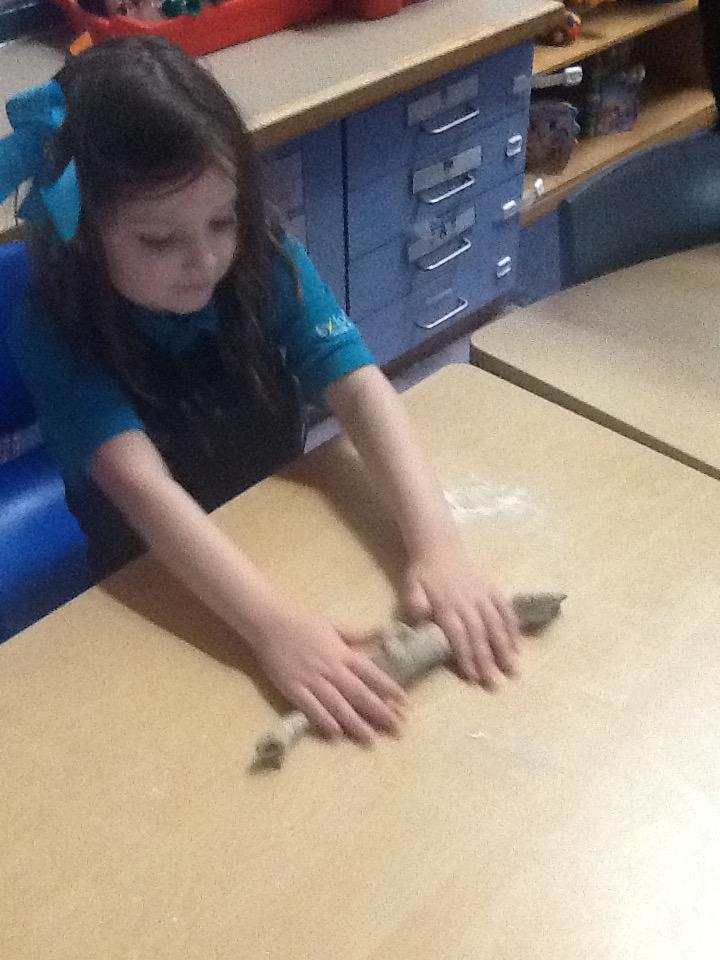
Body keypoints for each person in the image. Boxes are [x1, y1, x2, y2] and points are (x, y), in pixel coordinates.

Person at [2, 36, 520, 743]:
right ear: (85, 234)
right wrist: (274, 628)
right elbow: (143, 491)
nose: (205, 259)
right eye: (158, 241)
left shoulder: (260, 258)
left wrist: (437, 545)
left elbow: (360, 388)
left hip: (275, 520)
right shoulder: (54, 329)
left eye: (223, 220)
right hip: (160, 571)